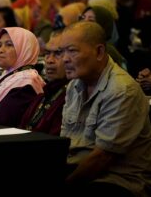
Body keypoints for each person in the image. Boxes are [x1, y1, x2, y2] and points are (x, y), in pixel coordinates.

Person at [59, 21, 151, 196]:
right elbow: (67, 143)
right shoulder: (74, 85)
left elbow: (103, 158)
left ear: (99, 51)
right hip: (80, 170)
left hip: (118, 181)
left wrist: (63, 186)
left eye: (72, 51)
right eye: (62, 51)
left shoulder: (121, 90)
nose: (64, 59)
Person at [20, 30, 68, 135]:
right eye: (47, 53)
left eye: (58, 53)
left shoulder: (71, 96)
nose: (50, 60)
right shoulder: (44, 93)